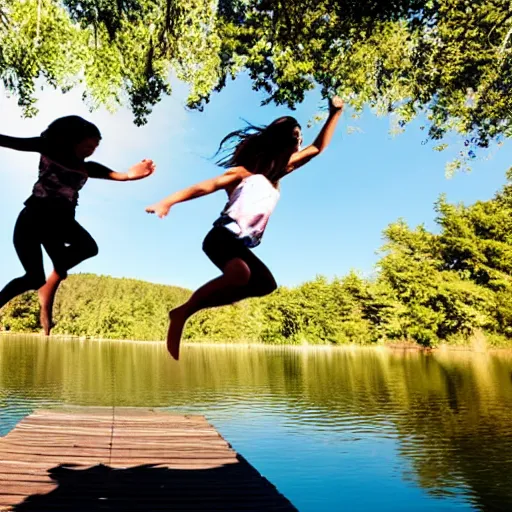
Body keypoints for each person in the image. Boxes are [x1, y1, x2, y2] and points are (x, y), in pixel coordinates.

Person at [146, 97, 343, 360]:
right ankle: (182, 313)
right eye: (295, 136)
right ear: (279, 141)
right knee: (240, 273)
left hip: (239, 244)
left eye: (300, 136)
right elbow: (205, 186)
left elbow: (318, 147)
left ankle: (186, 311)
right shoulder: (243, 173)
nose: (299, 141)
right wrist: (167, 201)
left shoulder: (279, 173)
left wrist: (335, 114)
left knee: (264, 283)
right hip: (221, 237)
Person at [0, 115, 155, 335]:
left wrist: (134, 173)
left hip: (61, 223)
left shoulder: (88, 168)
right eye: (88, 145)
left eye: (95, 147)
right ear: (73, 139)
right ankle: (50, 281)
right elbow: (10, 141)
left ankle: (53, 278)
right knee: (33, 277)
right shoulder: (48, 148)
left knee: (88, 248)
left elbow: (121, 175)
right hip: (33, 218)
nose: (91, 150)